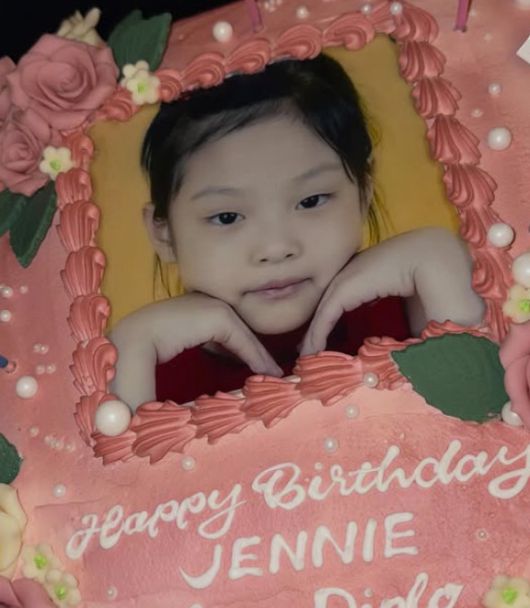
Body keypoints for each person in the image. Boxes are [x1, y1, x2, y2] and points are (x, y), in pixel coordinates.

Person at [109, 54, 484, 411]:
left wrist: (442, 260)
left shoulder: (417, 302)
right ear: (164, 233)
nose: (276, 248)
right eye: (227, 217)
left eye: (310, 201)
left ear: (364, 190)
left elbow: (490, 429)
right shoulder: (148, 373)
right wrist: (128, 358)